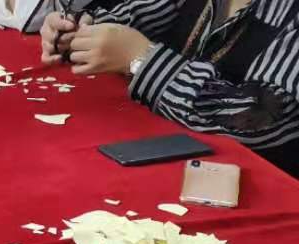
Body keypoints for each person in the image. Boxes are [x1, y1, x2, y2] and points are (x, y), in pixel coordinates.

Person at [40, 0, 299, 174]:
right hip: (168, 163)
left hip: (256, 189)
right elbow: (139, 13)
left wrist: (140, 59)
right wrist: (81, 32)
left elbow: (260, 118)